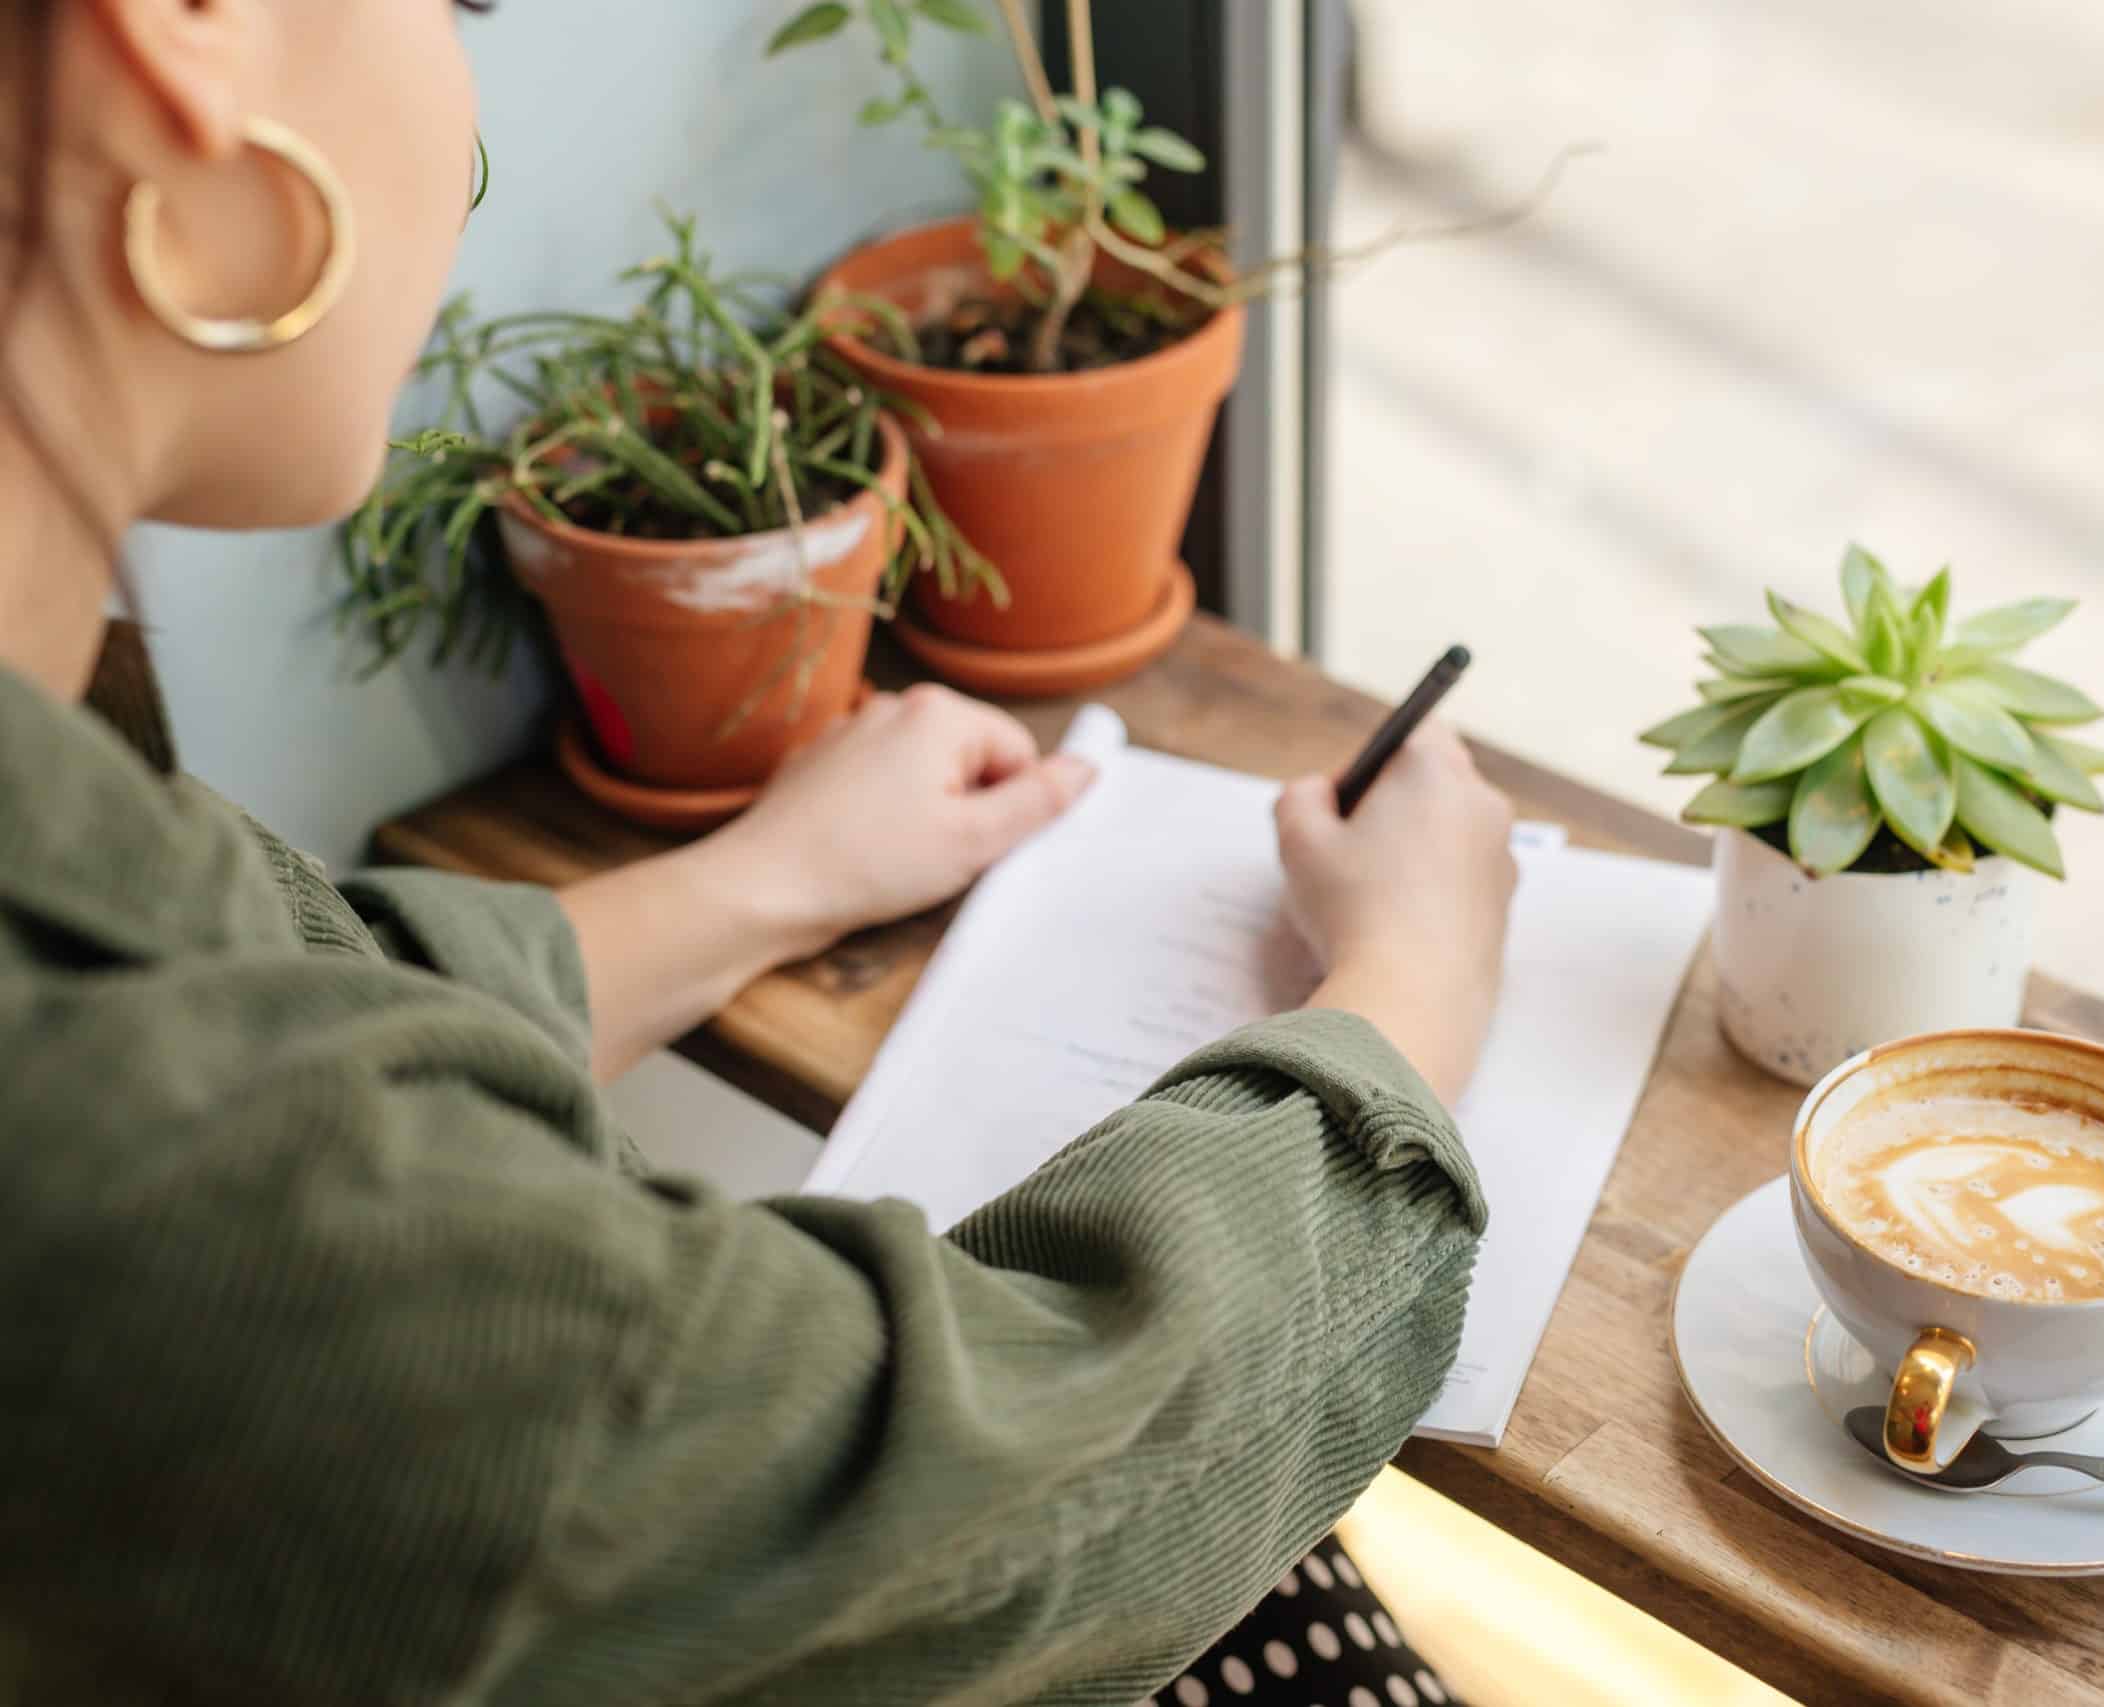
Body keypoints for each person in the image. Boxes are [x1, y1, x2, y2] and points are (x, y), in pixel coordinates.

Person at [0, 3, 1518, 1704]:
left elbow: (266, 1006)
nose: (465, 125)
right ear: (185, 33)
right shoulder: (136, 1166)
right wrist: (1411, 994)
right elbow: (964, 1519)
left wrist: (765, 879)